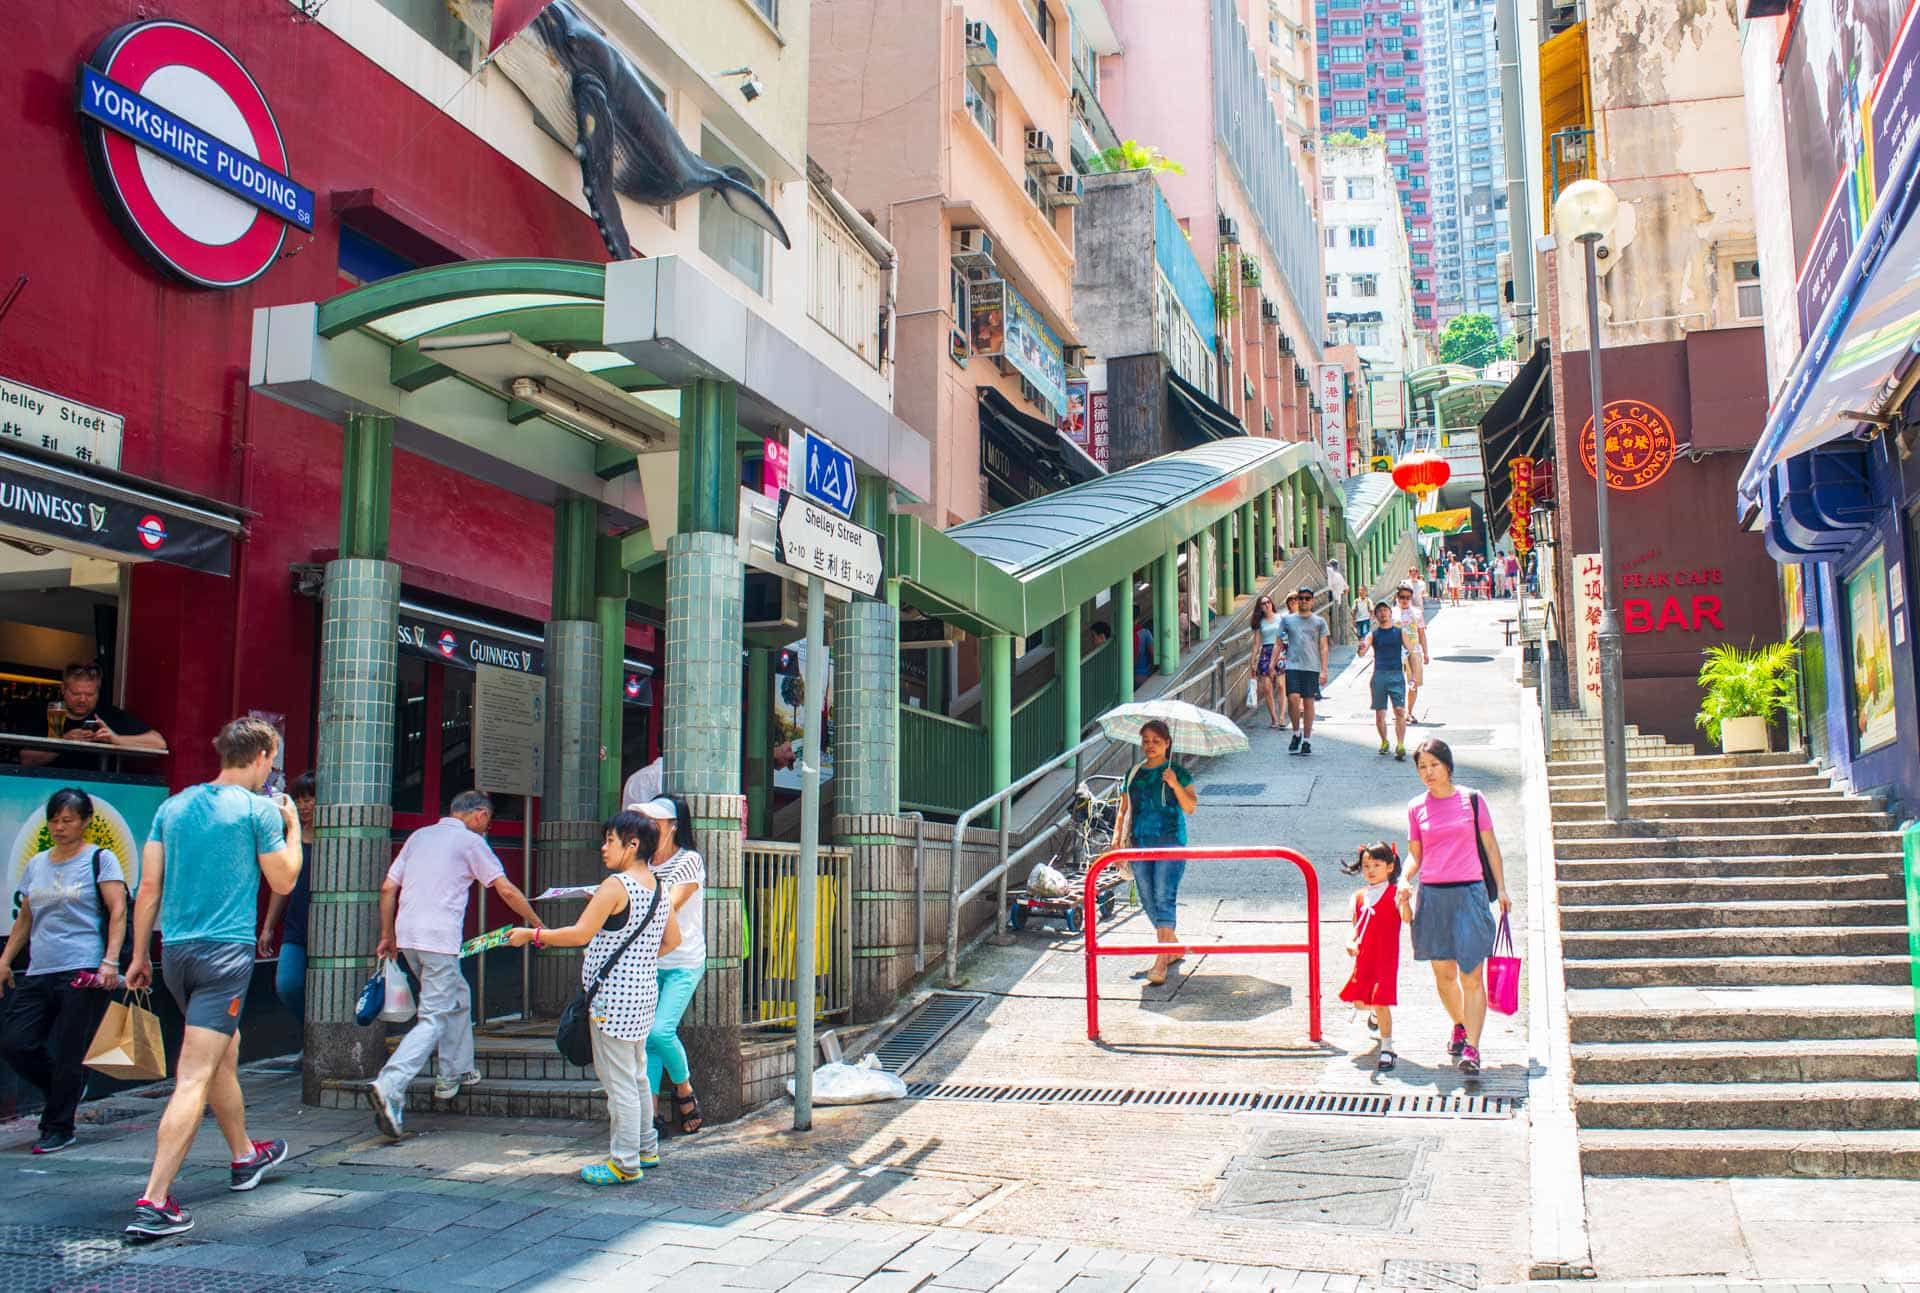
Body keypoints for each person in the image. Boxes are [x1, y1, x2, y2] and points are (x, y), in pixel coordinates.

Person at [123, 717, 302, 1240]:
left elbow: (149, 887)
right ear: (264, 755)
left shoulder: (172, 807)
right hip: (225, 955)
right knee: (195, 1074)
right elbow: (284, 878)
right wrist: (291, 827)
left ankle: (246, 1156)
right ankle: (155, 1200)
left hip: (176, 954)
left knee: (225, 1051)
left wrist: (139, 955)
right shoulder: (257, 810)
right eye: (275, 757)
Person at [507, 811, 681, 1185]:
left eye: (610, 841)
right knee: (634, 1076)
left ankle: (625, 1163)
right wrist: (634, 959)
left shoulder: (616, 886)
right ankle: (646, 1148)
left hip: (612, 1002)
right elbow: (672, 942)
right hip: (642, 995)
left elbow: (579, 933)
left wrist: (532, 936)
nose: (603, 848)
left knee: (619, 1085)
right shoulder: (659, 887)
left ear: (632, 845)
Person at [367, 790, 543, 1140]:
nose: (487, 830)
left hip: (409, 938)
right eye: (488, 823)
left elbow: (388, 889)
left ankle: (455, 1072)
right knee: (434, 1016)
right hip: (438, 940)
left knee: (457, 994)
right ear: (478, 815)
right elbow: (505, 890)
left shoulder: (419, 836)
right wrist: (536, 922)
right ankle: (391, 1083)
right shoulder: (470, 842)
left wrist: (387, 934)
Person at [0, 788, 127, 1154]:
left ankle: (58, 1126)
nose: (59, 827)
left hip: (83, 966)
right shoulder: (37, 863)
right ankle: (65, 1091)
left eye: (67, 820)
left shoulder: (100, 860)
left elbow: (117, 911)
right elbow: (26, 916)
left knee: (71, 1049)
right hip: (41, 966)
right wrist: (6, 959)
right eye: (54, 820)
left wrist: (110, 962)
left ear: (85, 821)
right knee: (15, 1042)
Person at [1396, 739, 1511, 1078]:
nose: (1428, 773)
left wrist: (1501, 888)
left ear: (1447, 765)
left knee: (1471, 975)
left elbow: (1490, 846)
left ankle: (1473, 1047)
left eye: (1433, 765)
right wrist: (1404, 879)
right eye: (1422, 767)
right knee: (1443, 975)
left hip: (1470, 894)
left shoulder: (1472, 800)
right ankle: (1459, 1024)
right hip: (1432, 897)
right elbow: (1415, 853)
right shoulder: (1416, 807)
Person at [634, 796, 706, 1138]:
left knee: (659, 1031)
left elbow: (669, 906)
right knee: (649, 1040)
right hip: (649, 961)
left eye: (656, 823)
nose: (648, 828)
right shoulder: (641, 863)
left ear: (673, 827)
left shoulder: (689, 862)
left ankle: (684, 1090)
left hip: (683, 962)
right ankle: (649, 1114)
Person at [1113, 719, 1196, 986]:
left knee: (1164, 896)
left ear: (1167, 743)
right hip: (1139, 843)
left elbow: (1190, 806)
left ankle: (1161, 959)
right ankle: (1172, 947)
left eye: (1156, 741)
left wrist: (1174, 784)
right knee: (1148, 899)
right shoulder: (1134, 773)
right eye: (1146, 741)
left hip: (1170, 842)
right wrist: (1116, 838)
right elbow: (1123, 809)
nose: (1150, 746)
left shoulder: (1178, 773)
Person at [21, 663, 166, 770]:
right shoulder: (49, 712)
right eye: (76, 694)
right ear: (63, 689)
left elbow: (158, 743)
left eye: (90, 695)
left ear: (98, 693)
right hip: (47, 788)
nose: (82, 699)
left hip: (98, 795)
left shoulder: (108, 714)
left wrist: (115, 739)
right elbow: (26, 759)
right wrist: (63, 742)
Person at [1339, 841, 1404, 1072]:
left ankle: (1387, 1047)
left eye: (1377, 864)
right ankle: (1376, 1016)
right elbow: (1355, 926)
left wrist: (1405, 901)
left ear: (1389, 866)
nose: (1371, 870)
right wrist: (1350, 941)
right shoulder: (1358, 897)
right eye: (1367, 865)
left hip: (1385, 958)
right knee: (1361, 1001)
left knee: (1381, 999)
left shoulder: (1396, 894)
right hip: (1364, 957)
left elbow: (1406, 918)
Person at [257, 773, 317, 1022]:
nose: (303, 805)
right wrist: (268, 927)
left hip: (329, 929)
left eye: (310, 798)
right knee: (287, 985)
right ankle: (312, 1031)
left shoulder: (336, 839)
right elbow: (281, 886)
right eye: (298, 799)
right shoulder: (291, 840)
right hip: (296, 927)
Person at [1278, 586, 1329, 756]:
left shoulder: (1319, 622)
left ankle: (1306, 739)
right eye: (1301, 598)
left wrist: (1324, 670)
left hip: (1311, 667)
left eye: (1307, 598)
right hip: (1293, 665)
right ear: (1297, 600)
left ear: (1312, 601)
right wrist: (1272, 663)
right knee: (1293, 699)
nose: (1304, 601)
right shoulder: (1288, 620)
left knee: (1308, 703)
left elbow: (1323, 647)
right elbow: (1279, 642)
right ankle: (1295, 732)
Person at [1359, 602, 1410, 759]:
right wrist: (1361, 647)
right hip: (1379, 675)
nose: (1382, 613)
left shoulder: (1400, 632)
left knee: (1400, 711)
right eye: (1379, 611)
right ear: (1375, 615)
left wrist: (1413, 675)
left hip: (1396, 675)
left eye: (1385, 610)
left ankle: (1400, 744)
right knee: (1380, 714)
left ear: (1390, 613)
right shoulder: (1373, 634)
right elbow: (1362, 652)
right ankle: (1384, 741)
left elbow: (1412, 652)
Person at [1392, 583, 1430, 723]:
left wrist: (1425, 653)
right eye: (1402, 597)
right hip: (1395, 653)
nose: (1404, 600)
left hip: (1414, 652)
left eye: (1407, 597)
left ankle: (1409, 712)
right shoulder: (1391, 613)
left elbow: (1421, 634)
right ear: (1397, 597)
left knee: (1413, 684)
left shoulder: (1417, 613)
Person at [1249, 595, 1287, 731]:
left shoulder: (1281, 617)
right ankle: (1274, 718)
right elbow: (1256, 643)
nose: (1266, 605)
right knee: (1266, 688)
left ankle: (1282, 717)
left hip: (1280, 651)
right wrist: (1252, 661)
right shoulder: (1261, 623)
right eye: (1263, 604)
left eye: (1268, 602)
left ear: (1272, 603)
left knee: (1281, 686)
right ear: (1260, 608)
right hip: (1266, 652)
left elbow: (1286, 636)